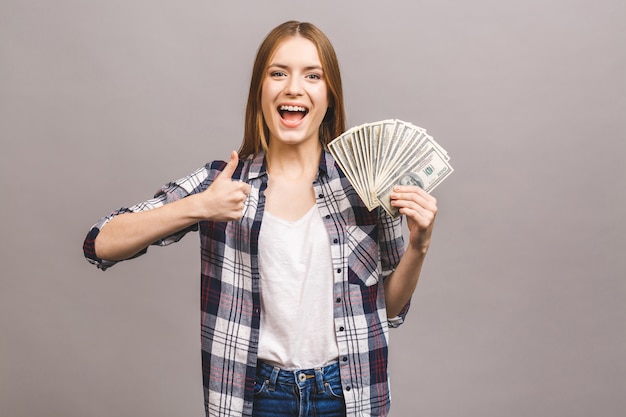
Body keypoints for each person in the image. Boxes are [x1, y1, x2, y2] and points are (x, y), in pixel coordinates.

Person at [83, 20, 438, 417]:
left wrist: (419, 247)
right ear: (260, 91)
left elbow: (389, 311)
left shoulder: (367, 183)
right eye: (278, 73)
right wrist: (198, 206)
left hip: (350, 393)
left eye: (312, 75)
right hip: (255, 397)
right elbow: (100, 242)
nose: (293, 88)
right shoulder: (221, 182)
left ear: (329, 96)